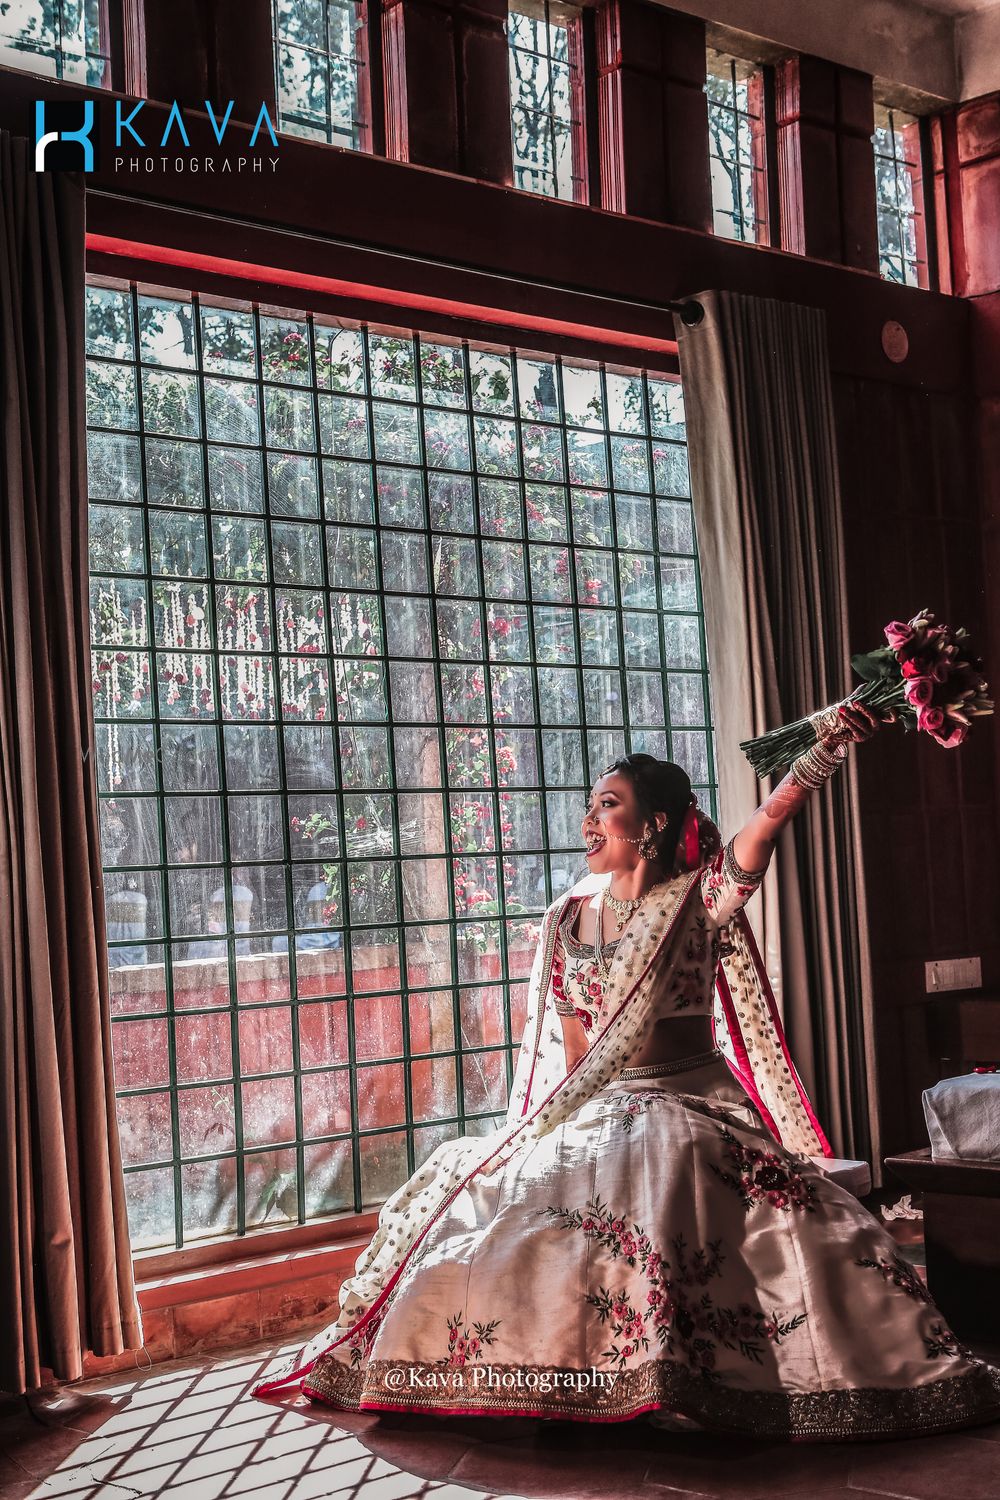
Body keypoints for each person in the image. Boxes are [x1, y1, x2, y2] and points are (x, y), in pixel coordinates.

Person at [256, 701, 1000, 1439]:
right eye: (589, 805)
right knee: (489, 1184)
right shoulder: (564, 921)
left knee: (677, 1170)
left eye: (606, 805)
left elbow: (765, 826)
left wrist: (822, 751)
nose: (587, 820)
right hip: (596, 1110)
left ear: (650, 824)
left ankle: (672, 1372)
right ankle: (525, 1374)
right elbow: (578, 1056)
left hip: (689, 1101)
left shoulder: (699, 900)